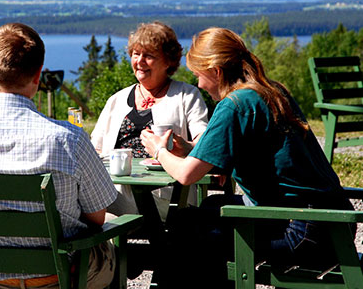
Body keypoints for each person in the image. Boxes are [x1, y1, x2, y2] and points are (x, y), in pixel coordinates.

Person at [141, 27, 351, 288]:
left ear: (216, 71)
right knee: (202, 213)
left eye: (198, 75)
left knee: (187, 235)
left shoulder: (234, 104)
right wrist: (188, 148)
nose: (198, 83)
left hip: (304, 232)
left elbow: (186, 175)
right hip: (330, 224)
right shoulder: (269, 91)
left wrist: (158, 151)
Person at [0, 23, 116, 289]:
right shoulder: (69, 139)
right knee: (110, 241)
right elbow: (97, 217)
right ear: (38, 76)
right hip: (60, 278)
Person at [90, 21, 208, 215]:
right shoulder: (117, 99)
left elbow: (203, 142)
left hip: (165, 193)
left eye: (149, 56)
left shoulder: (186, 95)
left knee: (92, 213)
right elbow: (95, 148)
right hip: (115, 188)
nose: (140, 61)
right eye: (136, 54)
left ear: (168, 61)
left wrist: (182, 147)